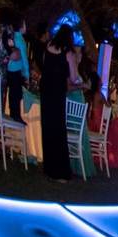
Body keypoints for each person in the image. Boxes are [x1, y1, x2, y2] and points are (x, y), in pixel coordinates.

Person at [40, 25, 79, 182]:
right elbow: (75, 77)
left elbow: (44, 66)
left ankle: (49, 168)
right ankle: (60, 172)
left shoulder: (48, 46)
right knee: (58, 130)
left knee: (47, 128)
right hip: (57, 93)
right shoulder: (68, 53)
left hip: (45, 91)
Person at [3, 11, 28, 123]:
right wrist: (26, 73)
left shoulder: (13, 36)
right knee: (16, 93)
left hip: (10, 68)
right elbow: (23, 57)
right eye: (25, 24)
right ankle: (16, 115)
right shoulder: (20, 40)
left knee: (14, 92)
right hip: (16, 69)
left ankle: (14, 113)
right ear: (21, 26)